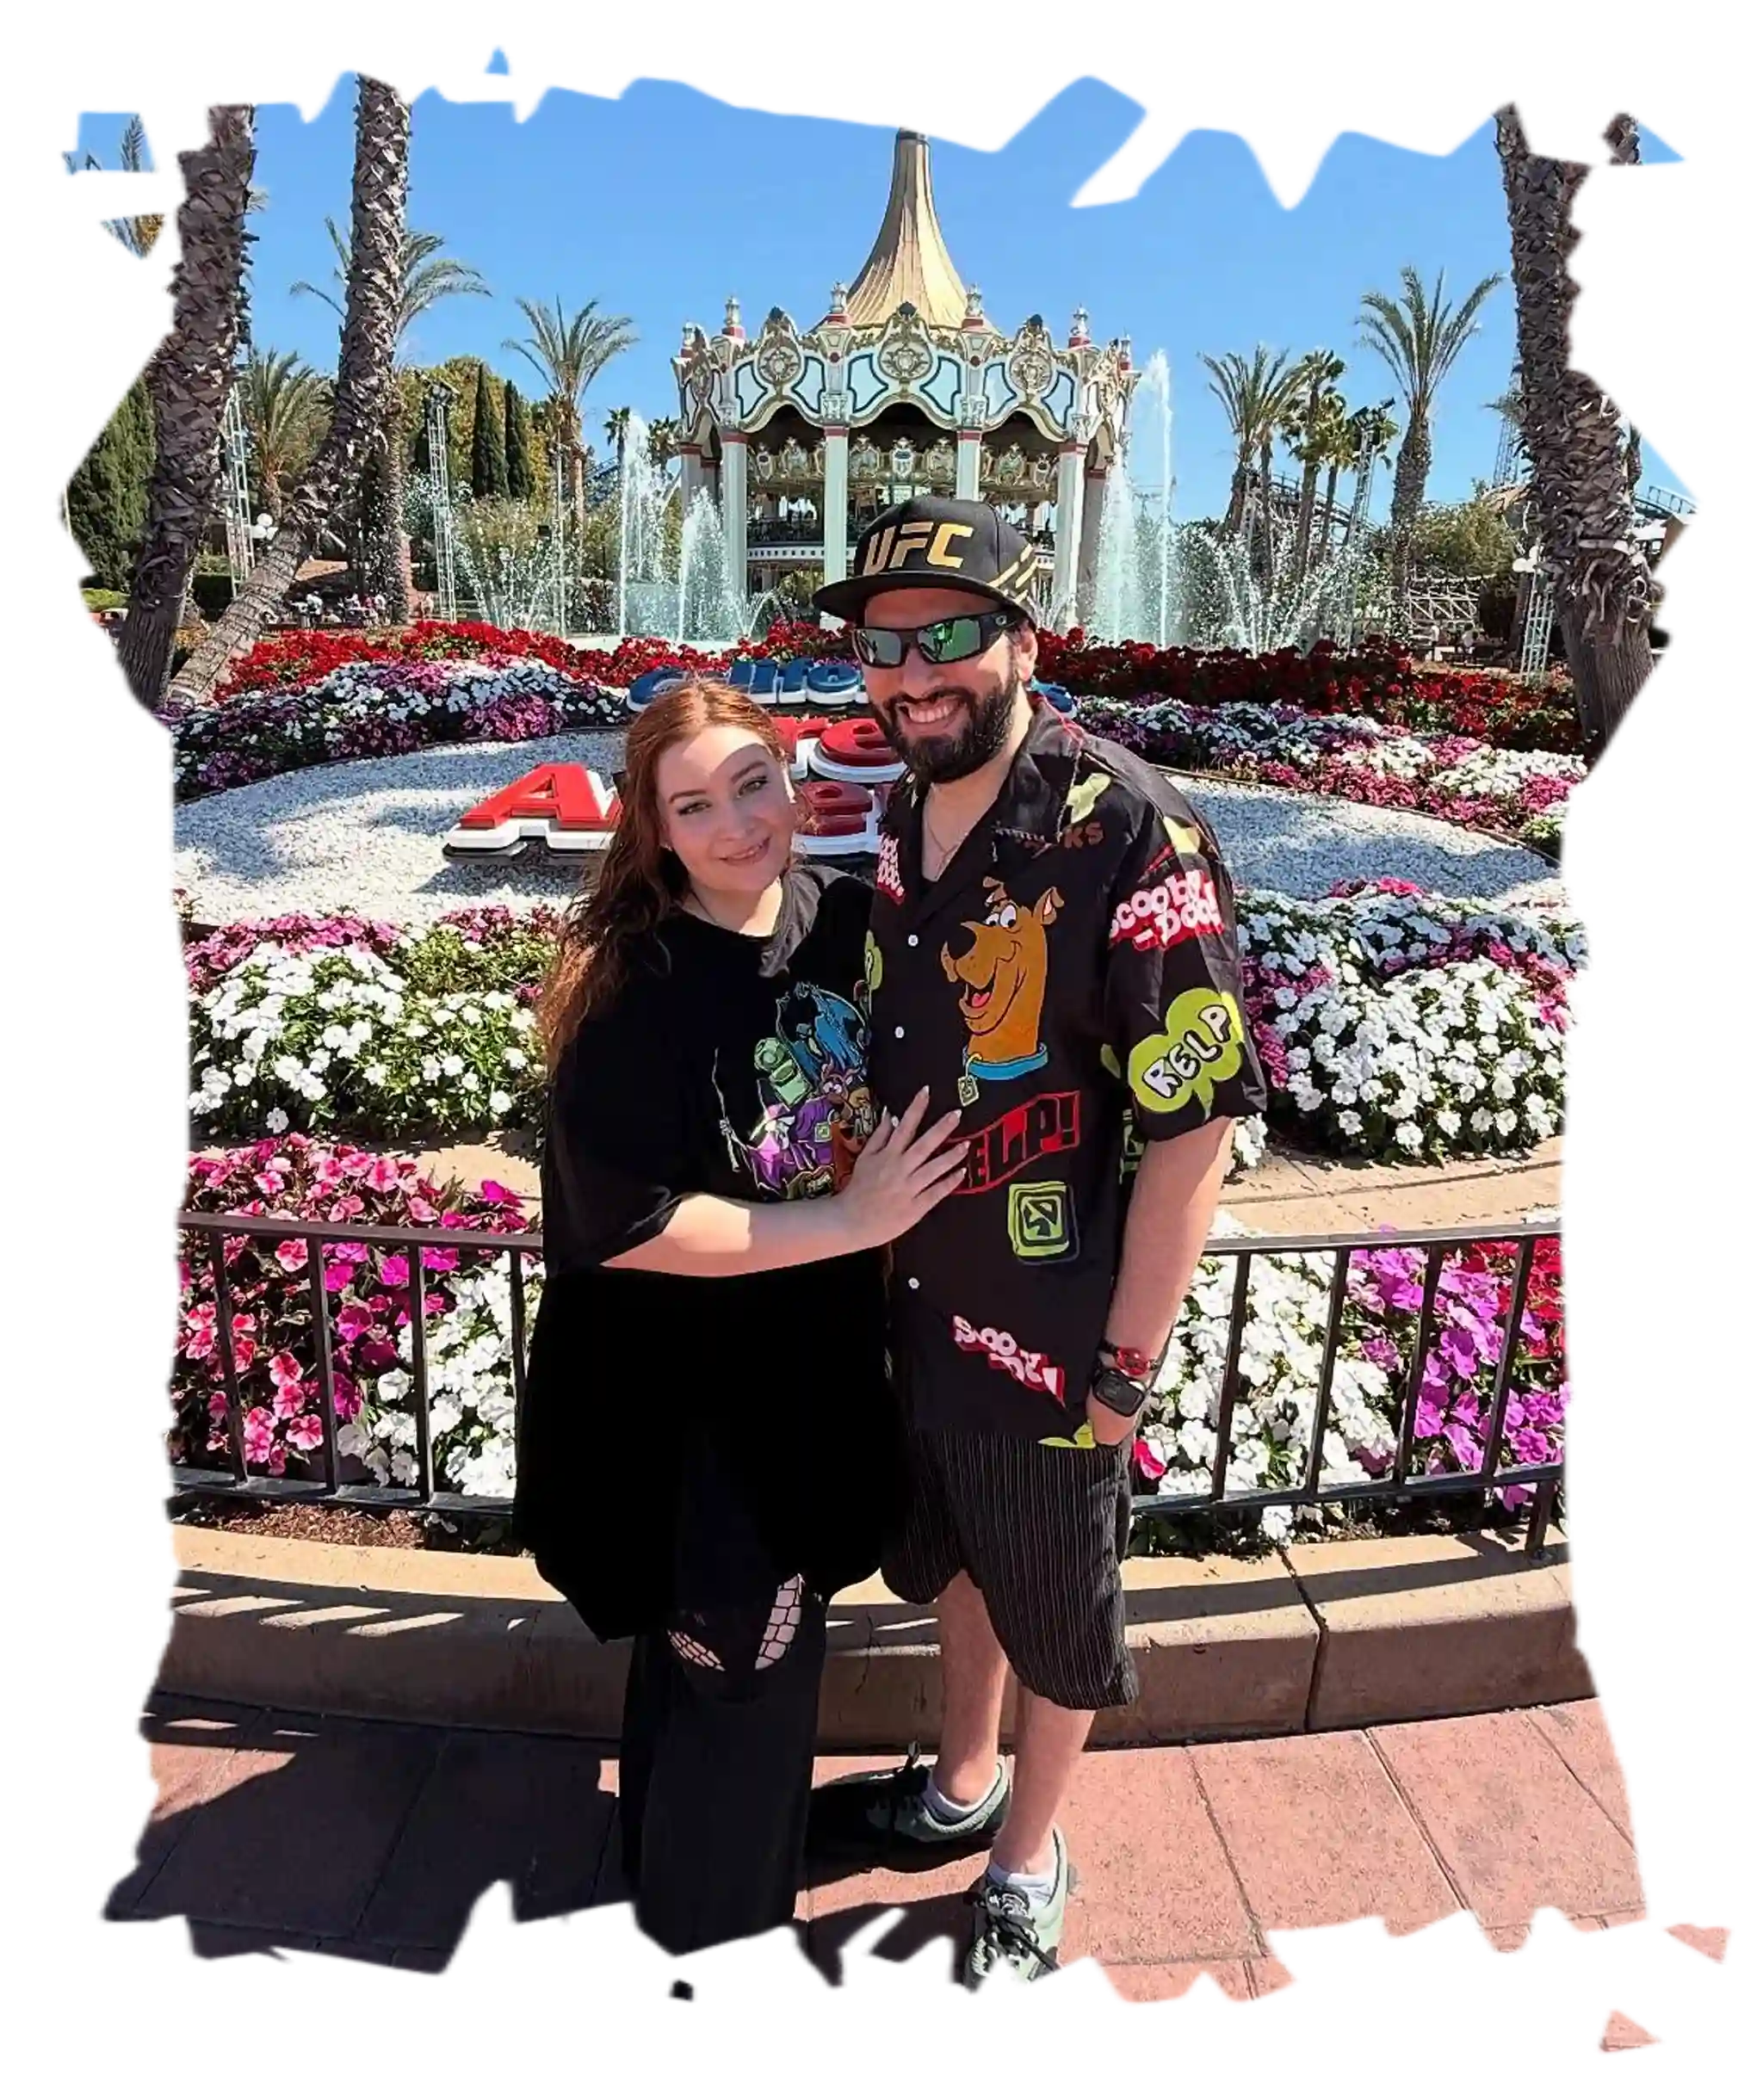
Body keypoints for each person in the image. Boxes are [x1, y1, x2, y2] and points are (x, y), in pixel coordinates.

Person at [806, 497, 1270, 2000]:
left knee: (1059, 1606)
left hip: (1052, 1323)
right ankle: (958, 1786)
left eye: (944, 636)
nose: (908, 673)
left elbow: (1194, 1121)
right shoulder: (903, 810)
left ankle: (1026, 1863)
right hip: (917, 1294)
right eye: (879, 645)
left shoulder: (1129, 825)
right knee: (955, 1563)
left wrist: (1126, 1365)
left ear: (1022, 635)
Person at [511, 679, 969, 2010]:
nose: (734, 825)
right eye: (693, 805)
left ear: (793, 776)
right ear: (651, 830)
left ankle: (667, 1886)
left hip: (809, 1368)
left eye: (752, 784)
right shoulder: (631, 983)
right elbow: (630, 1224)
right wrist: (853, 1215)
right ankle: (712, 1956)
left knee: (718, 1665)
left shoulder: (846, 926)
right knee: (743, 1661)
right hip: (680, 1395)